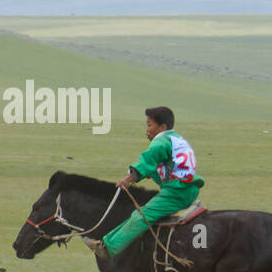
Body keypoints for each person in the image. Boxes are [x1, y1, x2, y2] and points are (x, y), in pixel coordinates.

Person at [87, 106, 204, 261]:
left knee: (141, 216)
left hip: (176, 192)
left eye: (150, 125)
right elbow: (169, 166)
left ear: (162, 127)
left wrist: (129, 178)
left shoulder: (161, 141)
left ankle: (108, 248)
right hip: (189, 189)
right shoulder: (177, 139)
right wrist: (151, 174)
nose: (147, 130)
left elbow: (147, 159)